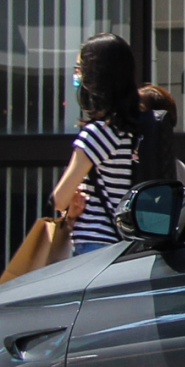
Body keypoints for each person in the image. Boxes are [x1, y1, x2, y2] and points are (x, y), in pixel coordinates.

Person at [51, 34, 145, 256]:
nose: (77, 76)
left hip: (94, 244)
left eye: (80, 70)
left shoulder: (97, 134)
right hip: (123, 244)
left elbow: (58, 199)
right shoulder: (134, 130)